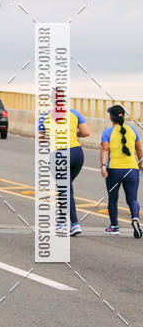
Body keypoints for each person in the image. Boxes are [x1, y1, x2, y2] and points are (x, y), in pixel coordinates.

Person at [38, 94, 90, 235]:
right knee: (65, 189)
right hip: (77, 153)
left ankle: (74, 224)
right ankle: (61, 222)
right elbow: (86, 132)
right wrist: (72, 133)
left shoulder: (45, 116)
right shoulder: (74, 113)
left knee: (65, 190)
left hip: (59, 155)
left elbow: (40, 137)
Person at [100, 104, 142, 237]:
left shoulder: (107, 132)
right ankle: (135, 218)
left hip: (114, 170)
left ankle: (114, 226)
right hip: (132, 169)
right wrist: (141, 164)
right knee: (132, 199)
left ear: (111, 117)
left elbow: (105, 149)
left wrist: (102, 165)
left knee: (113, 199)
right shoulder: (133, 130)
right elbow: (139, 149)